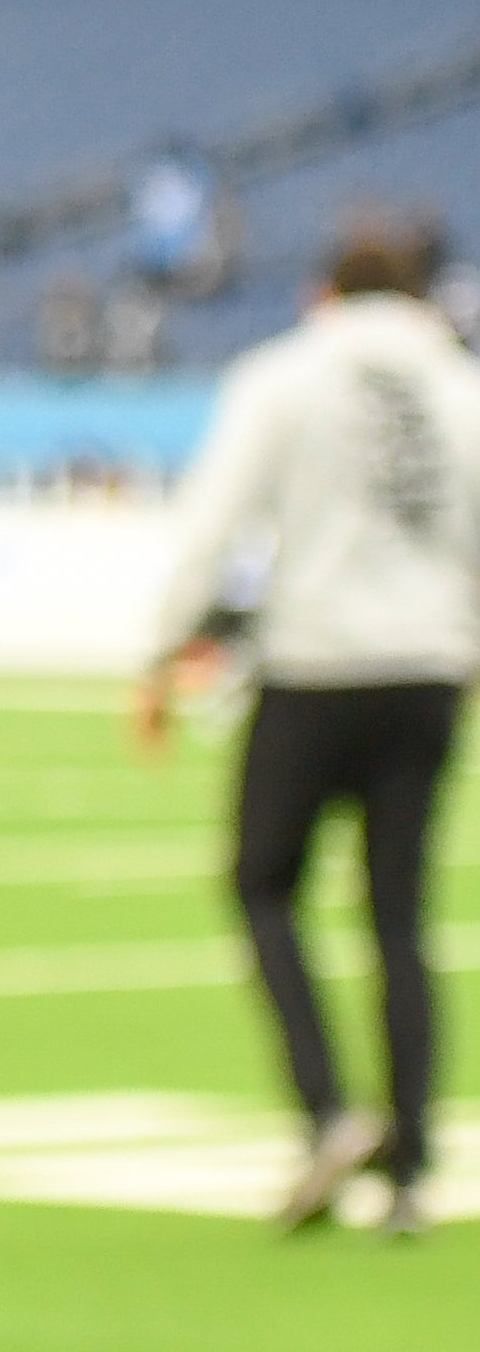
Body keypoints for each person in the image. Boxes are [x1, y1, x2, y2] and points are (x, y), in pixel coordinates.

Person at [136, 218, 479, 1236]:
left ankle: (327, 1109)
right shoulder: (459, 388)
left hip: (314, 667)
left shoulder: (283, 377)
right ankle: (409, 1166)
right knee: (398, 917)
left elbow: (215, 522)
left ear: (323, 291)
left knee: (262, 883)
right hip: (426, 669)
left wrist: (164, 649)